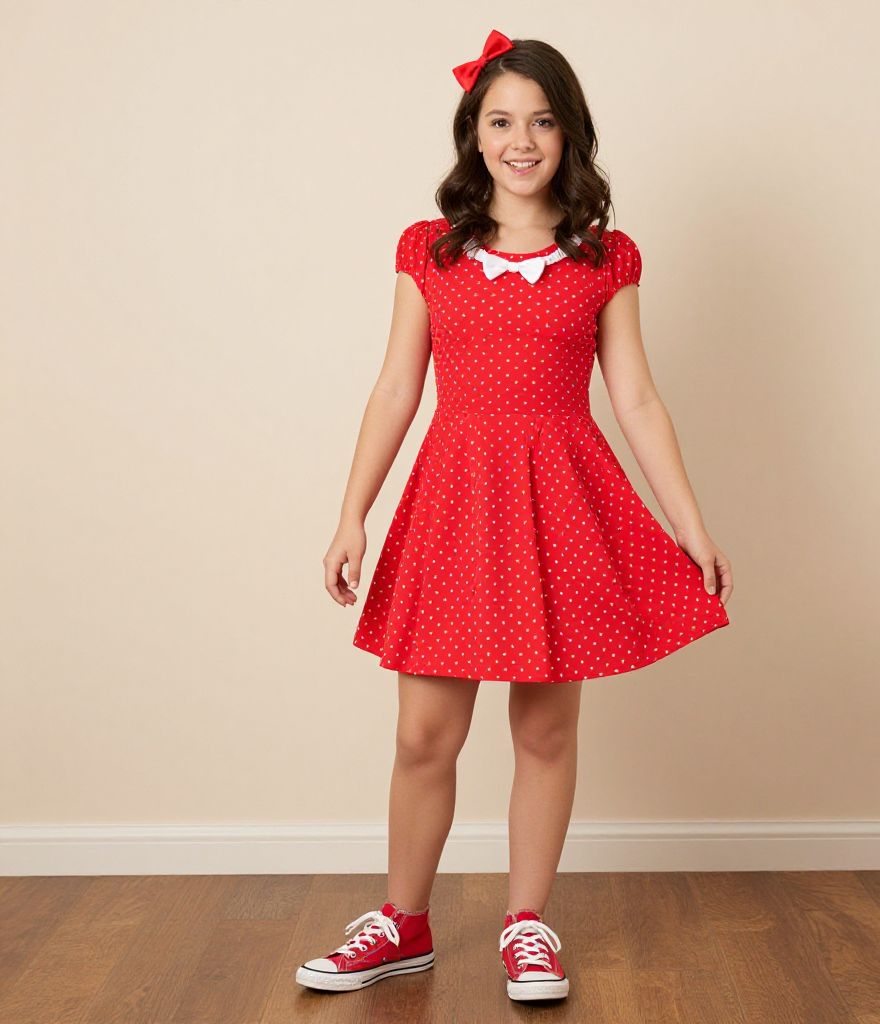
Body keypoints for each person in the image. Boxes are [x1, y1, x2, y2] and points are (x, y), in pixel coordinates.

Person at [296, 29, 733, 1004]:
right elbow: (396, 387)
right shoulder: (430, 250)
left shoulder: (604, 257)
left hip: (561, 506)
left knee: (543, 732)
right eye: (500, 121)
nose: (520, 141)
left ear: (569, 133)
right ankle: (402, 922)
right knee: (424, 734)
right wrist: (352, 513)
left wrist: (692, 526)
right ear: (474, 133)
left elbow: (636, 400)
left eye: (540, 121)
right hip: (453, 503)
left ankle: (527, 924)